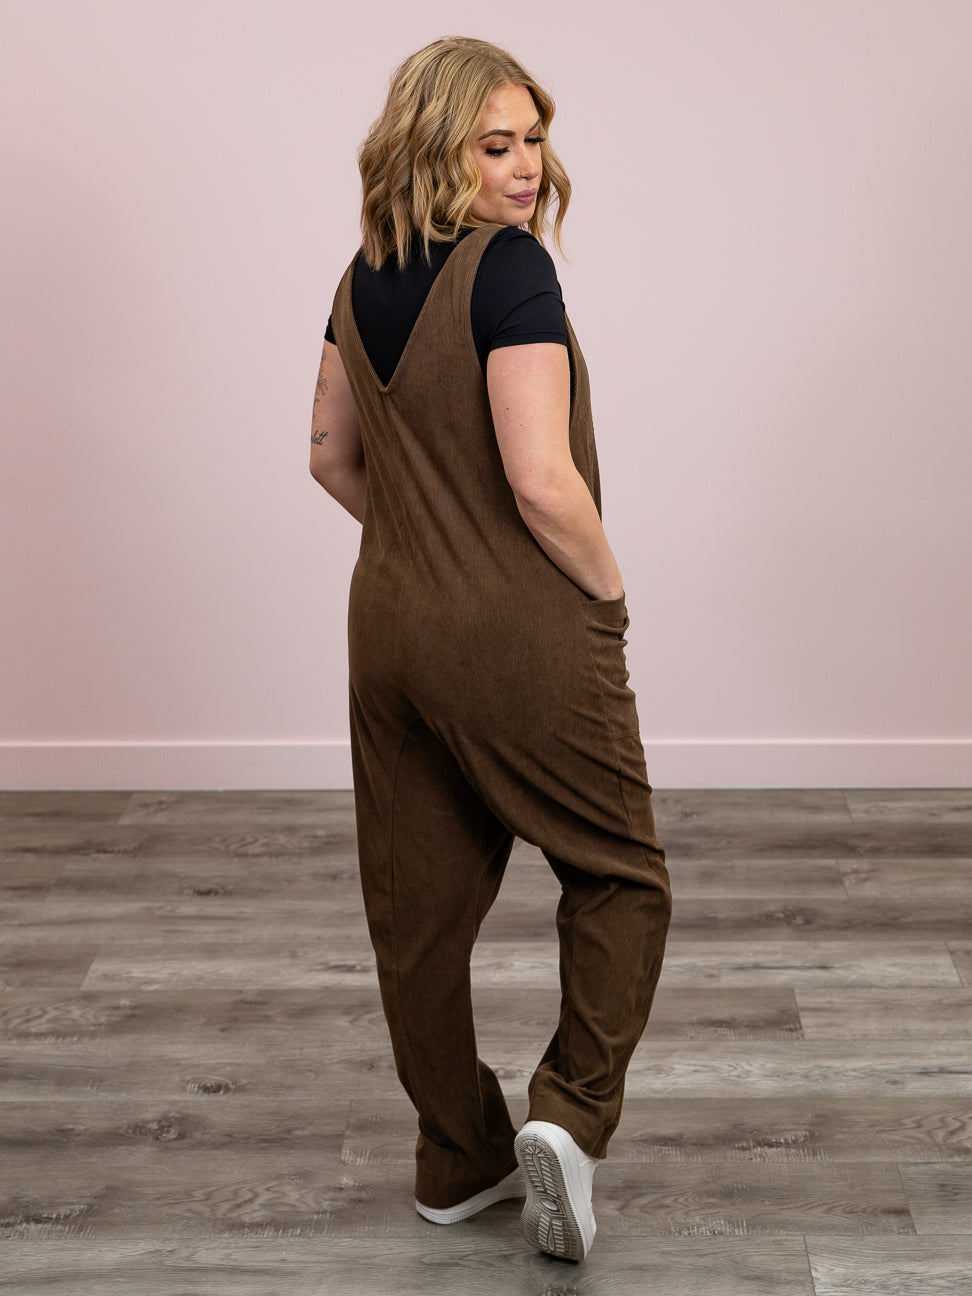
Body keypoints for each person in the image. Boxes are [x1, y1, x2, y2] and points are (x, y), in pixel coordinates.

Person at [310, 36, 671, 1263]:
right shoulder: (511, 268)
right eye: (495, 145)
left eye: (534, 141)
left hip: (387, 629)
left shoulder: (360, 276)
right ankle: (567, 1116)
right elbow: (540, 479)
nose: (526, 169)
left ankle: (457, 1157)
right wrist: (608, 589)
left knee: (416, 916)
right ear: (436, 148)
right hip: (514, 629)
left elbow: (328, 456)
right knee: (621, 875)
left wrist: (426, 543)